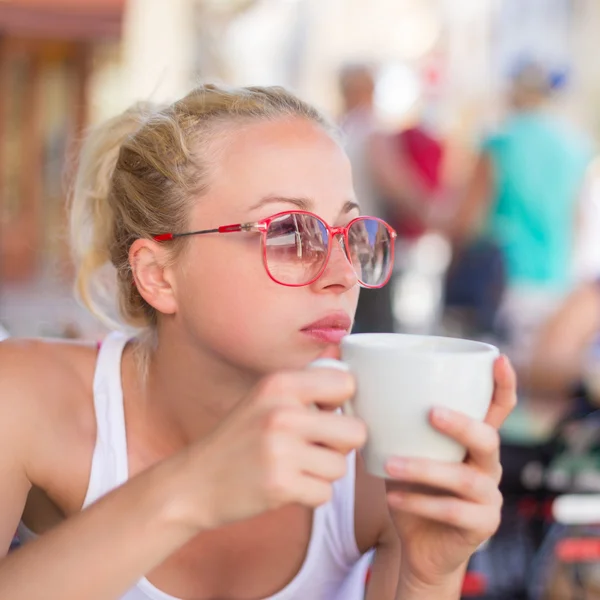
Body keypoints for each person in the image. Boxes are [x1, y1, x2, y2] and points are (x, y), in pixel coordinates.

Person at [0, 84, 515, 600]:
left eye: (350, 234)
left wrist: (429, 577)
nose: (341, 275)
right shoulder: (27, 399)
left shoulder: (383, 455)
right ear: (158, 276)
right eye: (290, 233)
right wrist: (192, 491)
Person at [448, 62, 592, 364]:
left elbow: (467, 220)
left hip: (505, 280)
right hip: (557, 280)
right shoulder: (575, 147)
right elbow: (578, 220)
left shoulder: (500, 143)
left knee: (502, 375)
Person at [338, 64, 432, 334]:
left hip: (341, 240)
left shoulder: (340, 130)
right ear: (368, 89)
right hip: (367, 240)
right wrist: (430, 212)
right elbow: (395, 183)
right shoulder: (371, 130)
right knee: (375, 329)